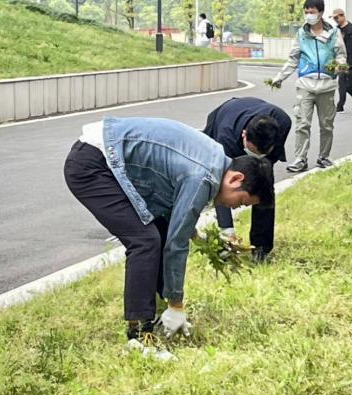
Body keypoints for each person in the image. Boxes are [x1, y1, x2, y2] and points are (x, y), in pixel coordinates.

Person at [64, 117, 274, 346]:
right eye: (241, 201)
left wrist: (197, 236)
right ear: (235, 179)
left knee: (160, 231)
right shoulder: (202, 176)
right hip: (93, 165)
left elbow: (174, 214)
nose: (234, 207)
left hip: (106, 155)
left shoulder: (215, 159)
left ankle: (155, 315)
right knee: (145, 241)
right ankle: (139, 336)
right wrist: (176, 304)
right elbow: (176, 244)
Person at [203, 97, 291, 262]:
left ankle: (261, 248)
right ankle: (226, 240)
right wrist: (227, 230)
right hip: (224, 117)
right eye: (253, 153)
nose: (256, 157)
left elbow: (266, 167)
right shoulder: (225, 138)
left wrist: (261, 170)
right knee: (220, 183)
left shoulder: (283, 122)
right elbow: (221, 184)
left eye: (261, 154)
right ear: (244, 135)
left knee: (263, 189)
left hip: (254, 117)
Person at [272, 0, 347, 173]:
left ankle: (323, 156)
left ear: (320, 12)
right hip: (305, 84)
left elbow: (341, 55)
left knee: (326, 124)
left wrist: (339, 66)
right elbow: (293, 58)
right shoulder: (302, 33)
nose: (308, 15)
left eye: (312, 12)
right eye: (306, 12)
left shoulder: (333, 32)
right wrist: (280, 77)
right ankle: (300, 159)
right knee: (302, 123)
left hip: (327, 85)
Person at [331, 8, 352, 114]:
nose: (335, 20)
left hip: (348, 60)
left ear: (342, 16)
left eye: (337, 17)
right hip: (339, 59)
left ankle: (340, 106)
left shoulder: (351, 29)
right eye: (334, 18)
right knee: (345, 85)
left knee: (342, 83)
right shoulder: (336, 30)